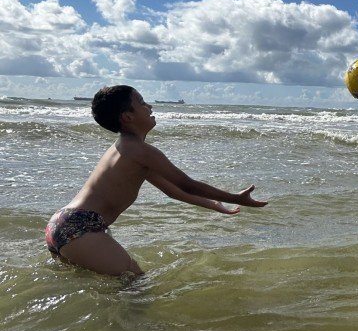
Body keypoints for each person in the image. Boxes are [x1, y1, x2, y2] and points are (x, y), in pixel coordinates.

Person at [45, 85, 268, 276]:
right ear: (128, 117)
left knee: (106, 283)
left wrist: (215, 205)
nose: (149, 107)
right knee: (134, 279)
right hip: (80, 227)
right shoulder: (140, 151)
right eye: (141, 102)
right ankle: (136, 327)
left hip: (62, 223)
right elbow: (186, 184)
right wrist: (236, 197)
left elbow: (173, 191)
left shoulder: (126, 150)